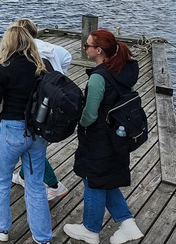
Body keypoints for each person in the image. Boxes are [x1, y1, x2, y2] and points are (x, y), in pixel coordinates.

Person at [64, 29, 144, 244]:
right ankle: (128, 224)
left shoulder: (99, 77)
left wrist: (76, 122)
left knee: (94, 181)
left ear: (98, 50)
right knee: (106, 179)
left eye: (87, 45)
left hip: (99, 138)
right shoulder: (123, 70)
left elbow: (89, 115)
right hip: (118, 136)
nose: (85, 48)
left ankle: (90, 230)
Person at [0, 25, 52, 243]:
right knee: (36, 186)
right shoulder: (43, 66)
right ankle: (43, 237)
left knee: (1, 179)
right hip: (37, 132)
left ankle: (0, 227)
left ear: (8, 43)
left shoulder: (2, 68)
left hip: (12, 130)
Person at [7, 18, 70, 201]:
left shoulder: (29, 53)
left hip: (40, 106)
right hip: (56, 97)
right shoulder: (51, 48)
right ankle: (23, 175)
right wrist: (60, 72)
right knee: (35, 143)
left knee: (31, 145)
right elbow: (67, 56)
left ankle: (54, 185)